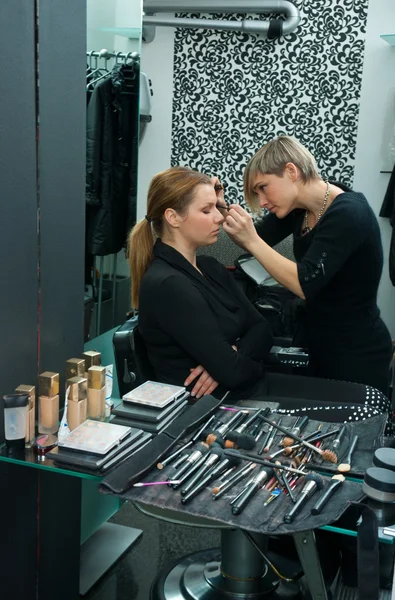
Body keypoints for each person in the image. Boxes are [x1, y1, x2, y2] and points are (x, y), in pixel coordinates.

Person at [128, 166, 391, 428]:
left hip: (251, 387)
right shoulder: (169, 285)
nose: (219, 218)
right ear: (173, 217)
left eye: (215, 209)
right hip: (220, 407)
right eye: (207, 210)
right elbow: (233, 371)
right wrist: (234, 362)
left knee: (373, 401)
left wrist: (233, 356)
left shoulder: (209, 267)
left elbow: (261, 328)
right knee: (367, 416)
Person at [219, 136, 393, 397]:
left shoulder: (348, 213)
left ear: (291, 172)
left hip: (354, 353)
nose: (262, 201)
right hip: (314, 341)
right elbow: (254, 237)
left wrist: (251, 240)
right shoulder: (298, 208)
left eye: (263, 188)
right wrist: (218, 207)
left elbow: (304, 283)